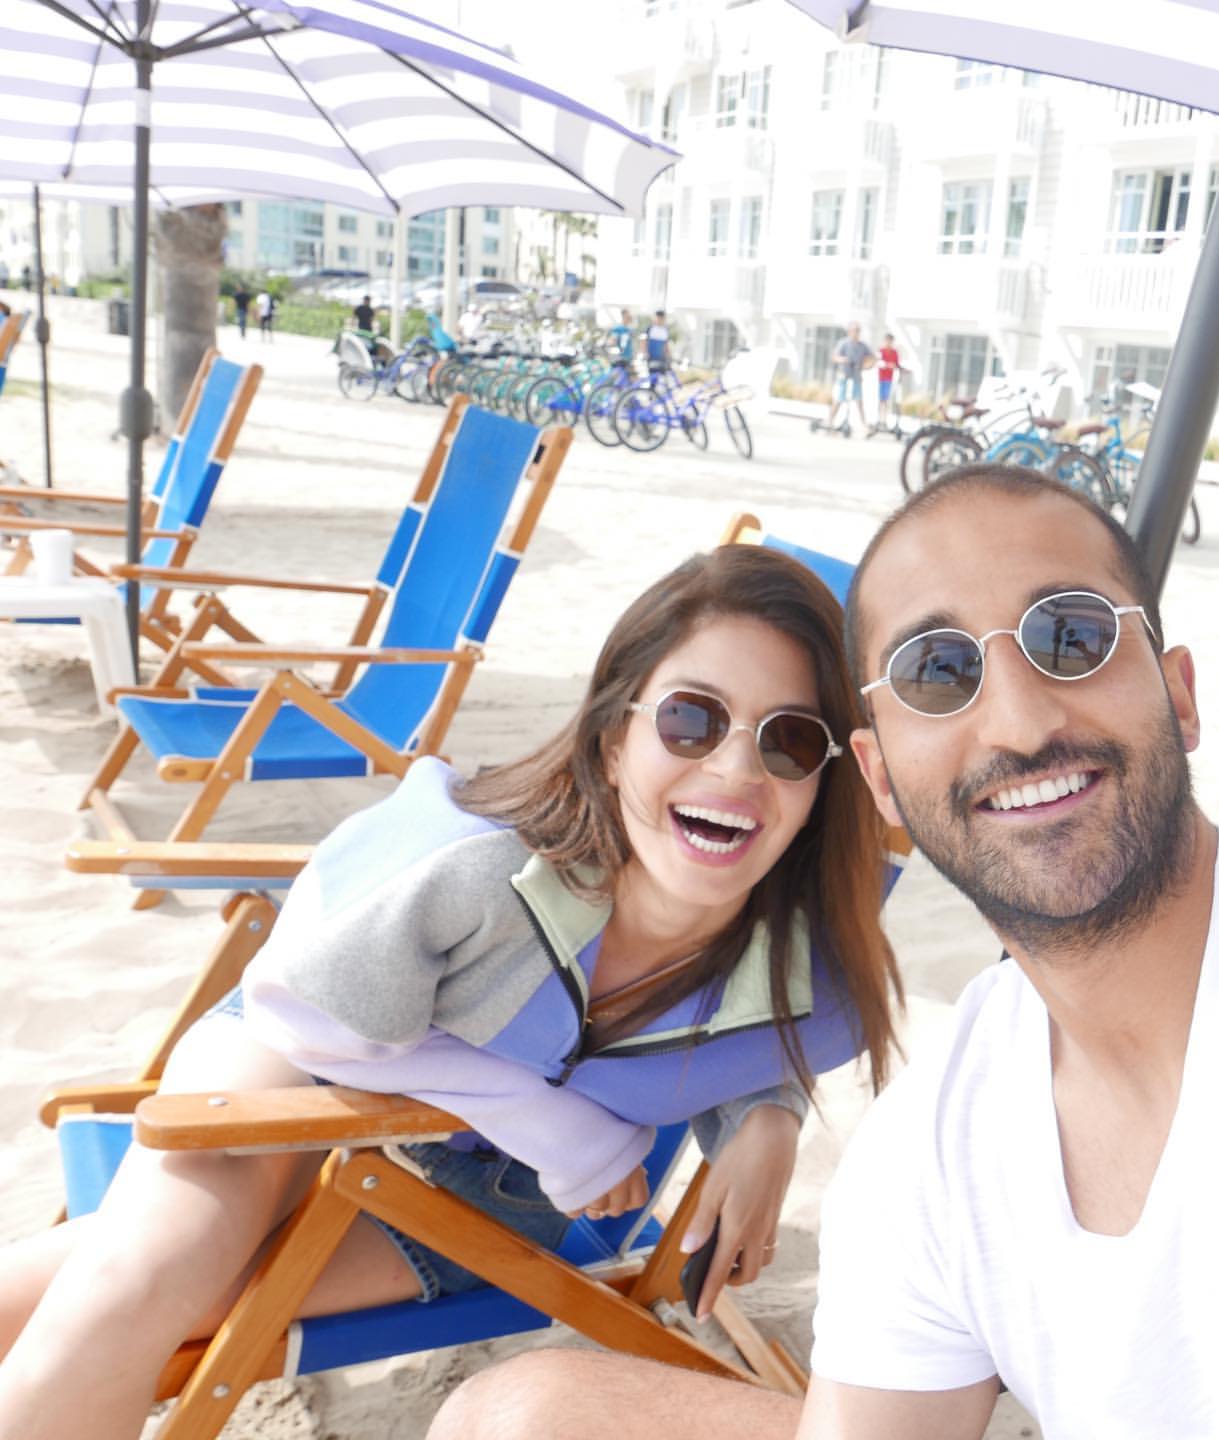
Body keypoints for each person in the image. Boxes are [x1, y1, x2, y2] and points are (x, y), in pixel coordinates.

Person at [425, 464, 1219, 1440]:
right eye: (938, 673)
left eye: (1074, 638)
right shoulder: (933, 1145)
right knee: (511, 1419)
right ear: (880, 780)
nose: (1021, 723)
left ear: (1179, 695)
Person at [0, 545, 903, 1440]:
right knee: (135, 1288)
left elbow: (736, 1026)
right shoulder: (467, 864)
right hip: (305, 1061)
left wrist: (766, 1115)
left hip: (478, 1198)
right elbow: (306, 1013)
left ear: (824, 784)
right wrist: (551, 1123)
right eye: (691, 720)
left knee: (182, 1296)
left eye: (790, 740)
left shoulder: (817, 989)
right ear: (612, 741)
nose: (738, 770)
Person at [824, 323, 874, 434]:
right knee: (839, 399)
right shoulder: (843, 343)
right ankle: (829, 421)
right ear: (850, 332)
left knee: (859, 401)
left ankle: (864, 425)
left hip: (856, 376)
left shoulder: (862, 346)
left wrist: (867, 365)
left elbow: (872, 358)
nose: (856, 333)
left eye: (858, 331)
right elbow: (834, 357)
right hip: (844, 375)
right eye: (855, 330)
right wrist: (844, 360)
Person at [869, 332, 907, 434]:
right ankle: (878, 419)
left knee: (886, 400)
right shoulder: (881, 351)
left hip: (889, 379)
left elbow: (897, 364)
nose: (889, 343)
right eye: (887, 341)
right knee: (880, 400)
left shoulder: (894, 352)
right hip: (880, 378)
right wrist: (887, 365)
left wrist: (901, 369)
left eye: (890, 341)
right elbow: (877, 362)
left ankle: (884, 420)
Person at [644, 309, 671, 373]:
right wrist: (645, 353)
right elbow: (644, 341)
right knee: (653, 375)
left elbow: (666, 345)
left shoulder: (665, 330)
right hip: (651, 357)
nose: (660, 320)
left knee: (662, 376)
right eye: (659, 318)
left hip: (662, 358)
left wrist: (669, 356)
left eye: (662, 318)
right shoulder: (650, 328)